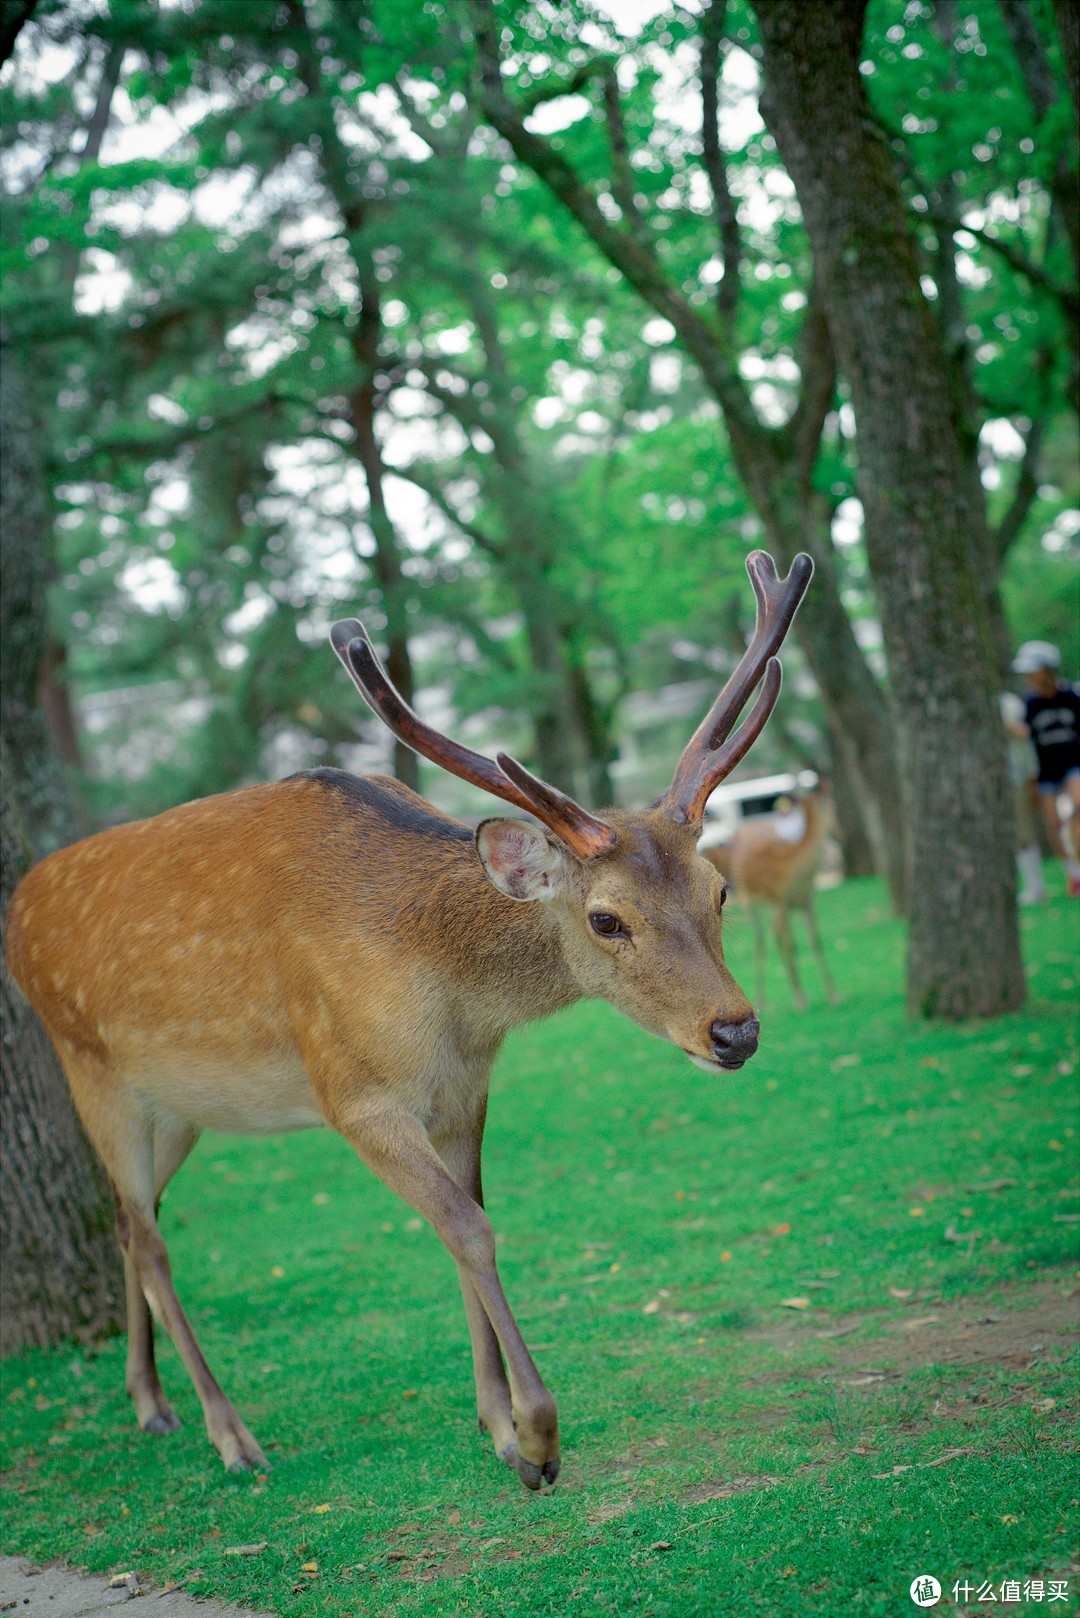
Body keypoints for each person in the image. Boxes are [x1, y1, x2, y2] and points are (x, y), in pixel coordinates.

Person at [1006, 641, 1080, 898]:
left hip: (1073, 764)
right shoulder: (1030, 703)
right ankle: (1074, 873)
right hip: (1047, 771)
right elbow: (1024, 733)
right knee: (1053, 823)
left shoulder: (1072, 696)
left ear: (1047, 669)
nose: (1028, 676)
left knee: (1078, 806)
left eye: (1032, 670)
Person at [999, 688, 1046, 904]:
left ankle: (1036, 887)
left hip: (1018, 774)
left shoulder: (1007, 703)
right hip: (1002, 778)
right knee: (1017, 834)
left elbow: (1024, 733)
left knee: (1023, 831)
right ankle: (1032, 886)